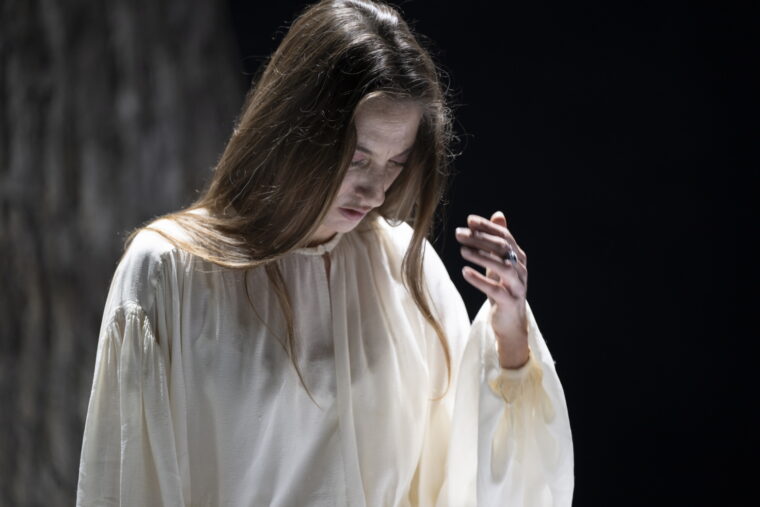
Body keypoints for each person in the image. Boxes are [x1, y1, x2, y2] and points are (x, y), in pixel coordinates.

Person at [75, 0, 574, 505]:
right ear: (293, 130)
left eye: (395, 162)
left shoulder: (403, 268)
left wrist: (510, 330)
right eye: (357, 159)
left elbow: (470, 478)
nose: (375, 191)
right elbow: (129, 484)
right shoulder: (169, 273)